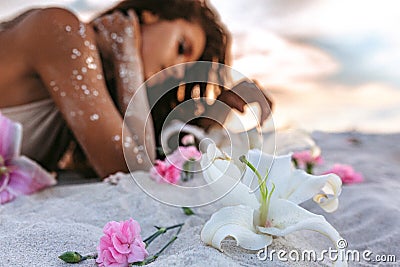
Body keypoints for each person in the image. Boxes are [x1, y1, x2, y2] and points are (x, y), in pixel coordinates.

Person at [0, 0, 272, 179]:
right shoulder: (62, 30)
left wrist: (218, 111)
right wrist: (126, 56)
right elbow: (133, 170)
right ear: (150, 14)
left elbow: (156, 160)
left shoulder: (92, 86)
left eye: (186, 70)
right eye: (181, 48)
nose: (176, 71)